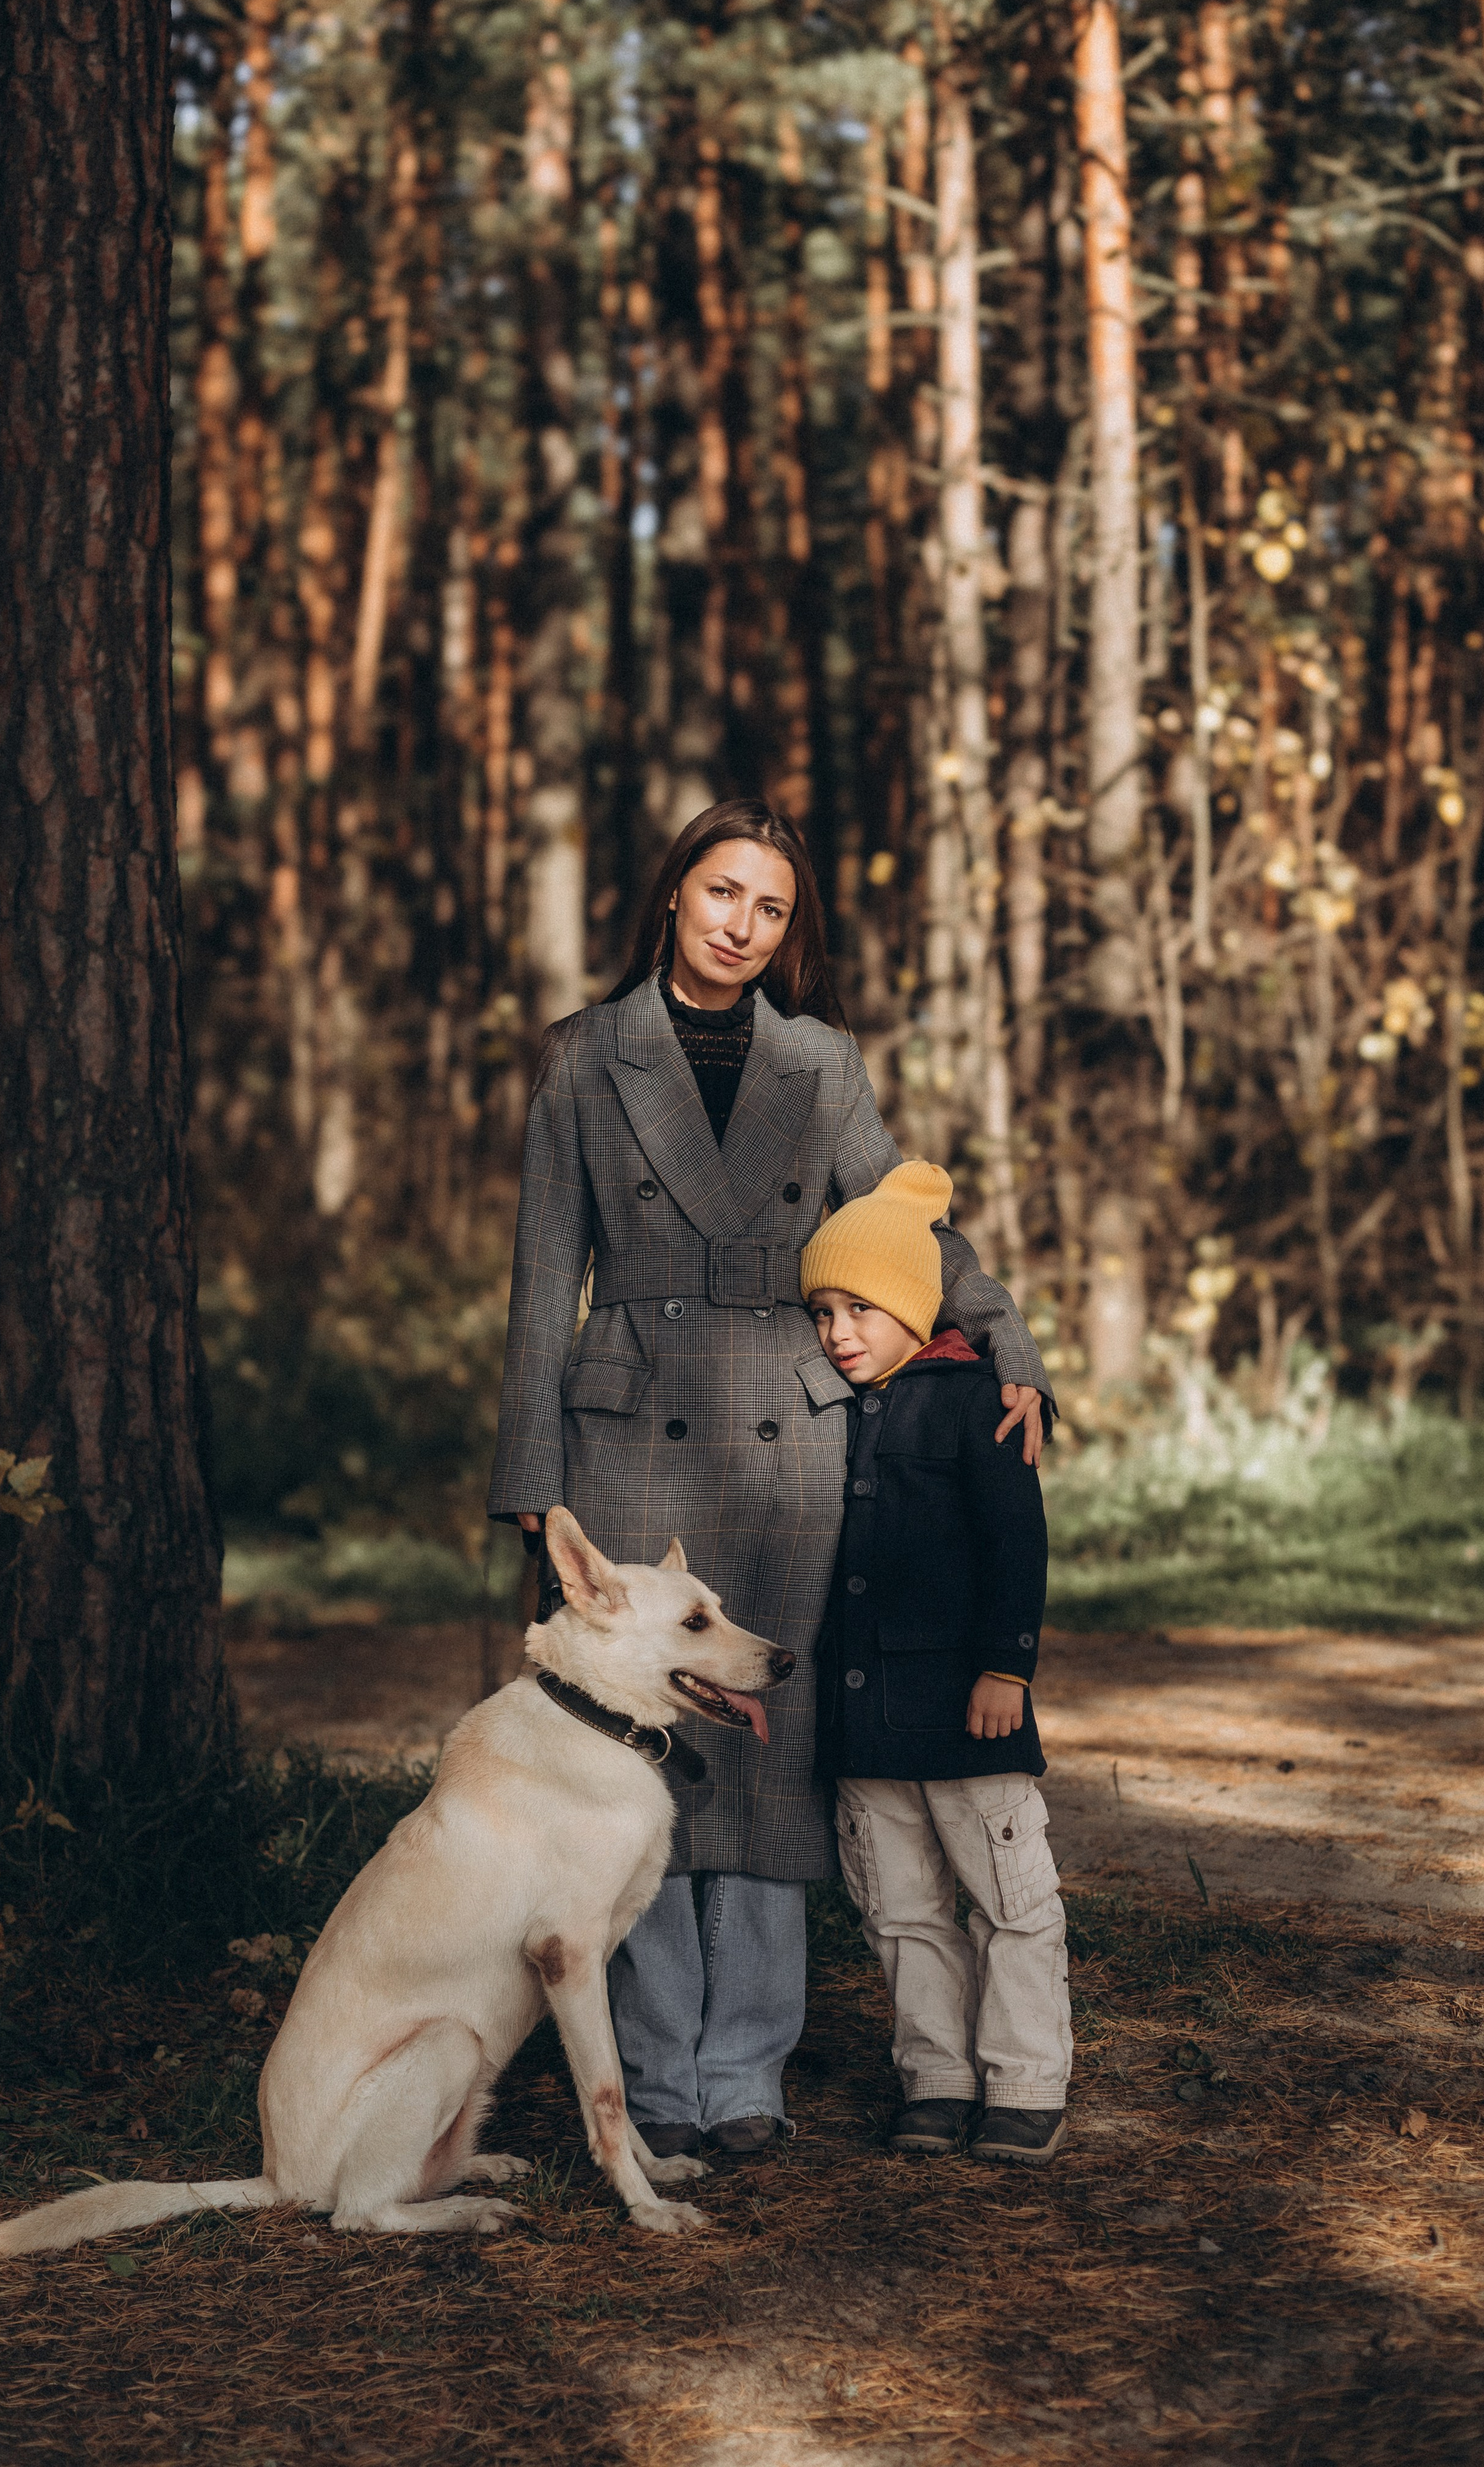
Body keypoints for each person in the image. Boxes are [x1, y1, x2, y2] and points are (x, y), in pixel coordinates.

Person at [486, 800, 1055, 2159]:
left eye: (771, 909)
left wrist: (1001, 1334)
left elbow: (897, 1225)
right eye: (720, 893)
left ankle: (744, 2077)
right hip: (628, 1436)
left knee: (769, 1763)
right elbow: (541, 1277)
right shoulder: (585, 1057)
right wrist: (527, 1469)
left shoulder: (820, 1065)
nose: (741, 925)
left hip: (787, 1446)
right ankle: (659, 2085)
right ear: (673, 893)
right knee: (647, 1760)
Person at [802, 1159, 1071, 2166]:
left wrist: (1008, 1667)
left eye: (861, 1309)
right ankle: (938, 2077)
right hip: (866, 1714)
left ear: (917, 1306)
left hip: (970, 1710)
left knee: (1010, 1900)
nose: (839, 1334)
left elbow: (1017, 1542)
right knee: (902, 1909)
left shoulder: (980, 1402)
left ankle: (1025, 2078)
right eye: (823, 1313)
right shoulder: (830, 1411)